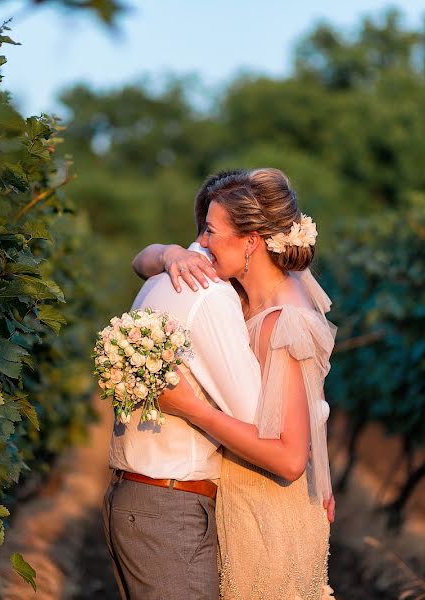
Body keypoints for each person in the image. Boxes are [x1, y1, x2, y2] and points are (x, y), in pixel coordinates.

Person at [136, 168, 337, 599]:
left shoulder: (287, 320)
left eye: (210, 232)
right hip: (239, 502)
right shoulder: (241, 290)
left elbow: (288, 459)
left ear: (250, 242)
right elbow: (142, 260)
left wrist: (192, 409)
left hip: (268, 517)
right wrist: (171, 254)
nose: (201, 243)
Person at [103, 170, 263, 600]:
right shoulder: (209, 294)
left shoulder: (163, 275)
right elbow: (257, 419)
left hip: (136, 498)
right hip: (167, 509)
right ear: (251, 240)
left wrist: (166, 251)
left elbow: (142, 259)